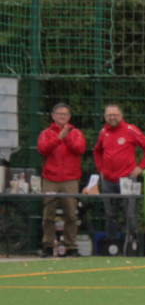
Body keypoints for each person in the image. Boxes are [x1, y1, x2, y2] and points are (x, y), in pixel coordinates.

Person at [93, 104, 145, 250]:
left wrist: (141, 167)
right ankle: (112, 245)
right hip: (108, 180)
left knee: (130, 213)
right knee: (110, 214)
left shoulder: (130, 130)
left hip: (127, 179)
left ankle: (132, 244)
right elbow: (97, 151)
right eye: (109, 115)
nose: (112, 117)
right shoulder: (103, 133)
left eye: (115, 114)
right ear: (105, 117)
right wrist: (101, 169)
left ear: (121, 116)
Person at [37, 103, 87, 257]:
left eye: (65, 114)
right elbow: (42, 149)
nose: (62, 117)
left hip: (70, 179)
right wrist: (59, 138)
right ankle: (47, 245)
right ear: (53, 116)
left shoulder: (76, 133)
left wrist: (67, 139)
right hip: (50, 178)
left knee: (71, 214)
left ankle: (71, 246)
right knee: (48, 214)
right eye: (59, 114)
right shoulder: (46, 133)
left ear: (69, 117)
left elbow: (80, 149)